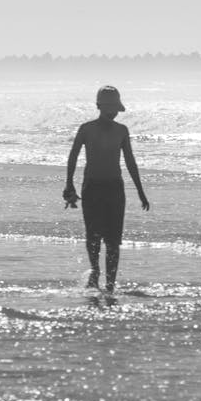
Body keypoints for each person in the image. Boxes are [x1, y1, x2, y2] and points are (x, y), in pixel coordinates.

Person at [63, 85, 151, 292]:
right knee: (93, 235)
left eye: (115, 109)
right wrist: (69, 184)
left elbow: (130, 162)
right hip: (91, 187)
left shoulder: (121, 130)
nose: (113, 112)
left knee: (113, 240)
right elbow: (73, 156)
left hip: (114, 188)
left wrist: (140, 191)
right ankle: (95, 271)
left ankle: (110, 284)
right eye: (110, 108)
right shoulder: (86, 129)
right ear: (100, 107)